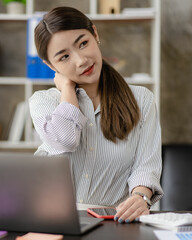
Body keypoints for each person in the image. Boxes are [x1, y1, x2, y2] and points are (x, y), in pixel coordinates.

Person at [29, 6, 163, 223]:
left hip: (115, 222)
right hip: (51, 219)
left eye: (83, 43)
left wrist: (140, 197)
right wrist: (68, 90)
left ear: (95, 34)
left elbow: (145, 166)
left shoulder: (141, 100)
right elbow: (65, 140)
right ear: (49, 65)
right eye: (64, 57)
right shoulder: (44, 102)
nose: (81, 60)